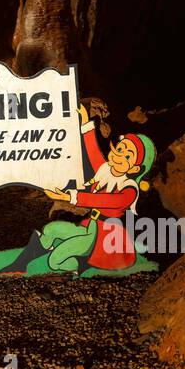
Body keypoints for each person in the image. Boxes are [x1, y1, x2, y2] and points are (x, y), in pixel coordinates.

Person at [43, 101, 156, 272]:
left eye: (128, 155)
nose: (119, 154)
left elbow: (105, 200)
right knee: (51, 230)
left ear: (134, 168)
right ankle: (41, 252)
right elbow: (93, 153)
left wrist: (71, 197)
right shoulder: (107, 172)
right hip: (89, 226)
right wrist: (84, 122)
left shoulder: (129, 190)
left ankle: (81, 265)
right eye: (121, 147)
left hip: (103, 236)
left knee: (55, 261)